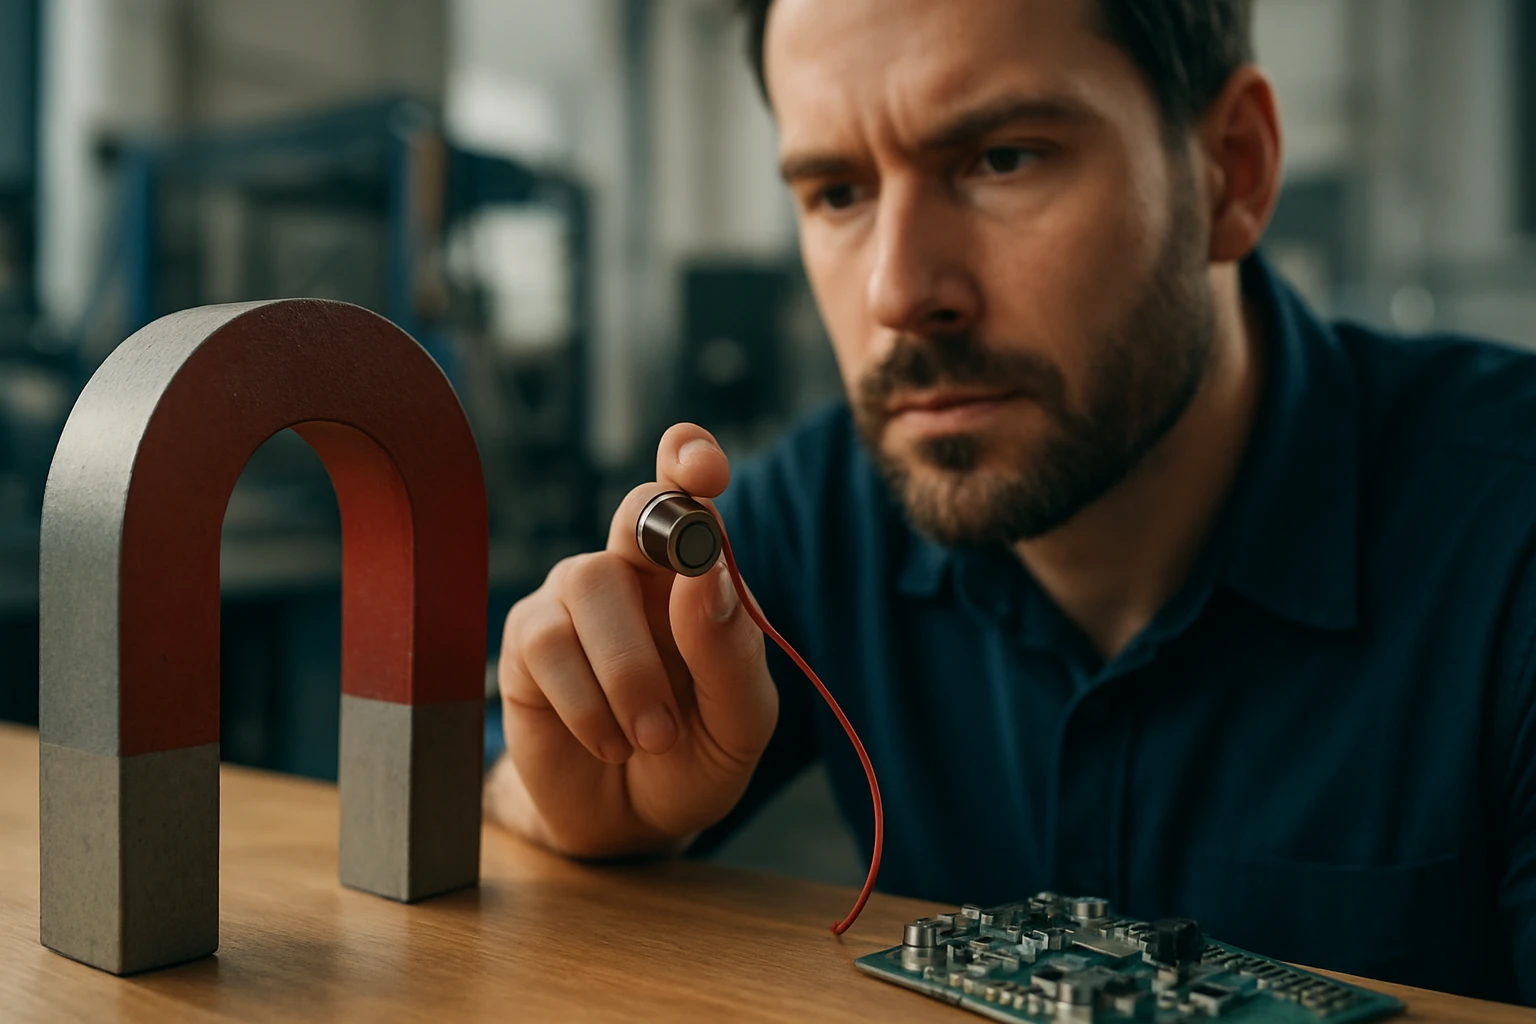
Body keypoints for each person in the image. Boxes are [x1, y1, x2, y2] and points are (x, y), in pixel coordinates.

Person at [483, 0, 1536, 1004]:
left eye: (1002, 159)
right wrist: (592, 805)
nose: (898, 292)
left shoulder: (1507, 542)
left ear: (1231, 171)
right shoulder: (822, 511)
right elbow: (507, 806)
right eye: (838, 193)